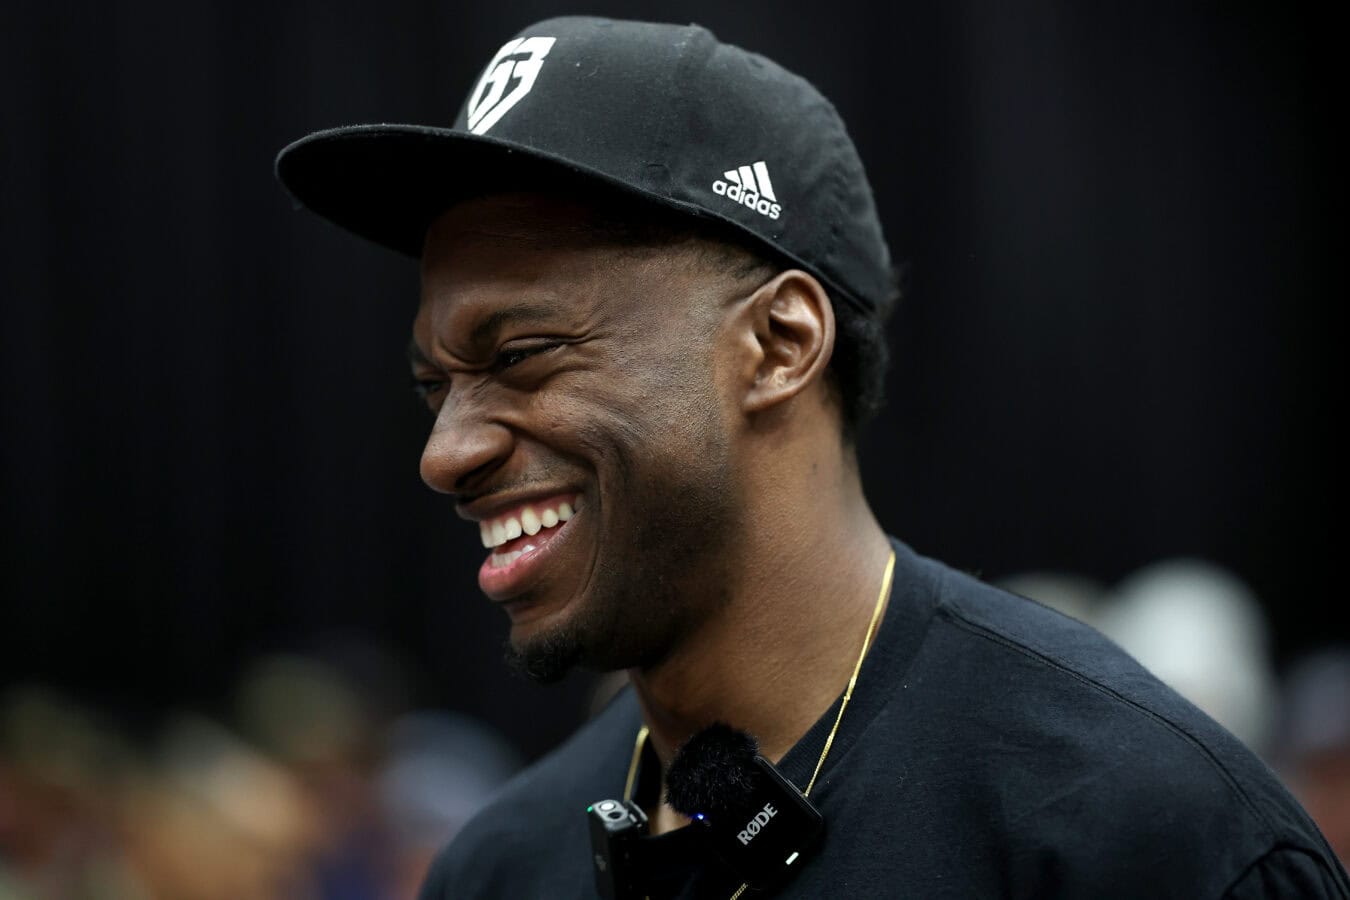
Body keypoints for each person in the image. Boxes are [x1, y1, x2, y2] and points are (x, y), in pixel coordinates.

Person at [275, 15, 1349, 899]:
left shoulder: (1139, 840)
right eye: (436, 385)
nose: (444, 452)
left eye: (520, 354)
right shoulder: (499, 870)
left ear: (779, 345)